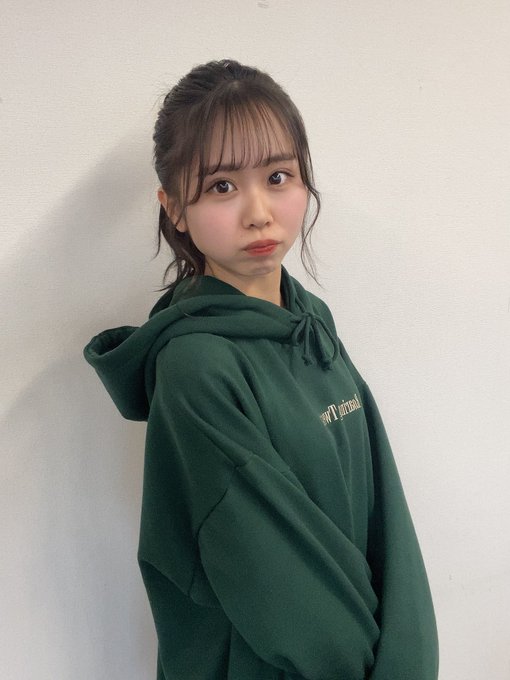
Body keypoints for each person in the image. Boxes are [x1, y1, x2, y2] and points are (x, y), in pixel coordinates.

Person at [83, 59, 439, 680]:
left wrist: (410, 649)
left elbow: (383, 505)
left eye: (278, 177)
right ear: (173, 207)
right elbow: (274, 579)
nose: (258, 212)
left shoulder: (310, 321)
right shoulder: (196, 368)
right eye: (222, 186)